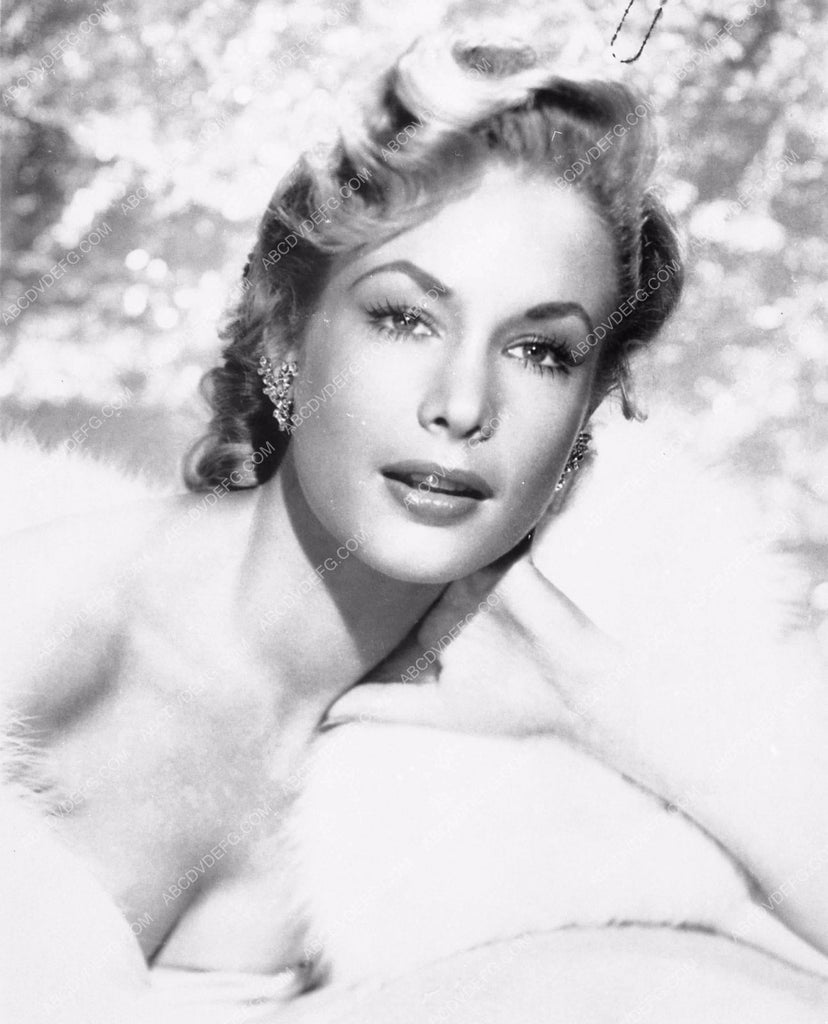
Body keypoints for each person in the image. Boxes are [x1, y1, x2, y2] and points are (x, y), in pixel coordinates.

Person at [1, 25, 827, 1024]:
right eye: (404, 318)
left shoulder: (508, 744)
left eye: (540, 351)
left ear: (585, 418)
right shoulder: (48, 629)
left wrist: (603, 698)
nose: (463, 402)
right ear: (285, 338)